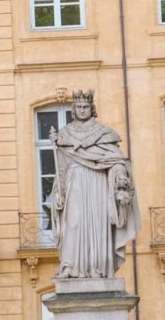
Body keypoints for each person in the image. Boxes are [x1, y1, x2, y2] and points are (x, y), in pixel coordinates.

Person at [46, 89, 141, 280]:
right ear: (74, 109)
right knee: (73, 224)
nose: (82, 110)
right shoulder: (63, 135)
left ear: (92, 108)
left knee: (97, 227)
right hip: (74, 186)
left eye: (86, 107)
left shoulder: (104, 133)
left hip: (98, 185)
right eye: (79, 107)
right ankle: (70, 266)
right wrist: (59, 192)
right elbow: (61, 169)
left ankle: (98, 268)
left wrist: (121, 180)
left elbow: (116, 161)